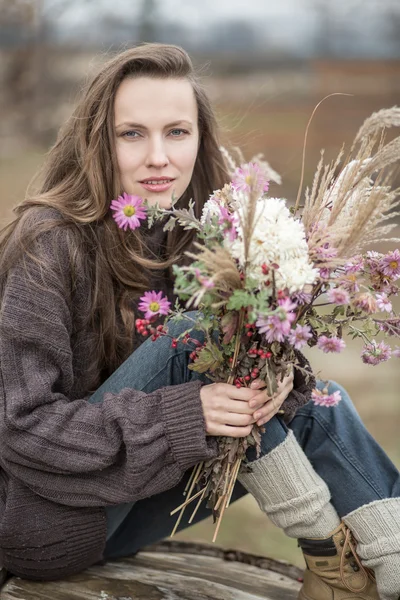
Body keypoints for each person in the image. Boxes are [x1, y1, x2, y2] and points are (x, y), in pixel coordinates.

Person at [0, 43, 398, 600]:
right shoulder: (47, 244)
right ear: (98, 140)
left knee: (308, 397)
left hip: (133, 505)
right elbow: (19, 429)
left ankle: (367, 570)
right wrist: (185, 413)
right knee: (193, 337)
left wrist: (275, 377)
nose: (159, 156)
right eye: (132, 133)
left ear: (200, 139)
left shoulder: (199, 233)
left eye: (177, 132)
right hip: (47, 523)